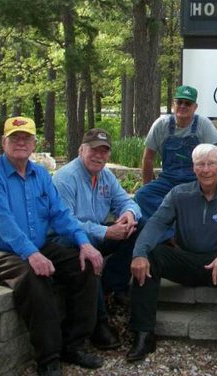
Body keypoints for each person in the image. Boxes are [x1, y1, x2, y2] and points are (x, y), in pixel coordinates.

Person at [0, 116, 105, 376]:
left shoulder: (41, 174)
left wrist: (84, 243)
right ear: (3, 142)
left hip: (36, 246)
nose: (20, 142)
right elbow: (3, 221)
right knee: (34, 278)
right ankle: (49, 358)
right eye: (14, 137)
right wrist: (31, 253)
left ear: (34, 144)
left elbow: (60, 214)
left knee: (86, 265)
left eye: (26, 138)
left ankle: (74, 345)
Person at [126, 144, 217, 373]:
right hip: (187, 259)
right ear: (193, 168)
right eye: (200, 164)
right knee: (150, 255)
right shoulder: (179, 194)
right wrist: (139, 253)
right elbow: (156, 224)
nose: (206, 169)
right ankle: (143, 334)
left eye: (211, 163)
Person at [52, 127, 142, 350]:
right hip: (65, 240)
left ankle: (114, 286)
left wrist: (129, 215)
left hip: (96, 233)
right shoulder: (66, 178)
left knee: (141, 227)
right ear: (81, 150)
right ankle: (98, 324)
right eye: (93, 150)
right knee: (87, 254)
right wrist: (106, 232)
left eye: (104, 151)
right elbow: (65, 223)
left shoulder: (105, 175)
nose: (99, 156)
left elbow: (127, 202)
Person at [134, 85, 217, 221]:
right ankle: (171, 230)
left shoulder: (204, 125)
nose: (183, 106)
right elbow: (148, 159)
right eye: (179, 102)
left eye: (187, 103)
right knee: (142, 195)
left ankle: (174, 226)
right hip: (167, 180)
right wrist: (147, 184)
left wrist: (216, 188)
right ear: (173, 104)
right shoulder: (161, 124)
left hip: (195, 181)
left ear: (195, 107)